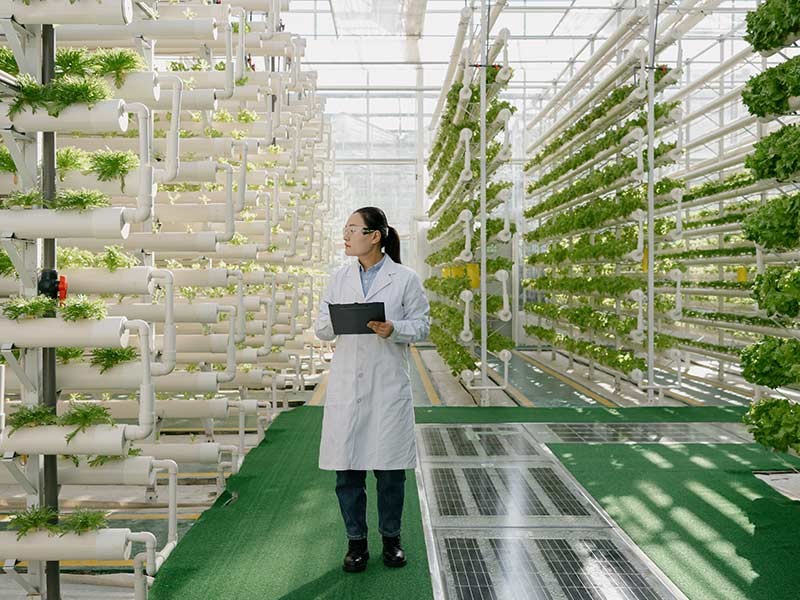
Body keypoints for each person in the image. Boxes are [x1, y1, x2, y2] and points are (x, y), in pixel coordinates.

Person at [314, 206, 431, 573]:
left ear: (375, 236)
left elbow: (423, 326)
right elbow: (320, 326)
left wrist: (392, 328)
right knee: (348, 471)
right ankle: (356, 544)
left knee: (390, 471)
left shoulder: (406, 278)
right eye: (345, 229)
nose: (346, 236)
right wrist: (336, 323)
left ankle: (391, 540)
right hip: (349, 383)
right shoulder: (338, 278)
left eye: (353, 229)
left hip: (386, 385)